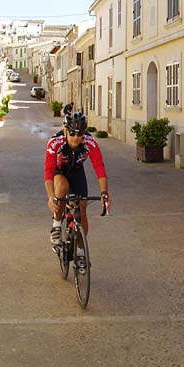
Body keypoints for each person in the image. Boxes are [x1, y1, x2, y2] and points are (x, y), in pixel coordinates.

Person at [44, 106, 111, 264]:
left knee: (82, 208)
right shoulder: (55, 142)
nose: (76, 138)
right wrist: (51, 197)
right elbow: (48, 171)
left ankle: (80, 251)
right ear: (65, 131)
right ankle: (56, 224)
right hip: (59, 171)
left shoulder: (89, 142)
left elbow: (99, 167)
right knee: (62, 188)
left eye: (80, 134)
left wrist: (104, 192)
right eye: (72, 133)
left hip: (77, 171)